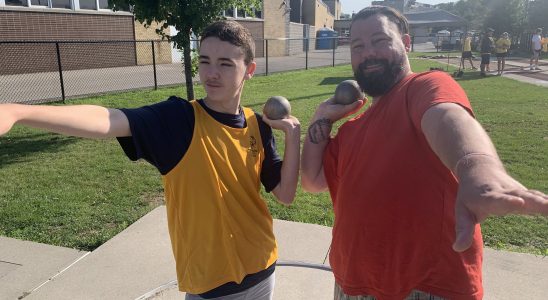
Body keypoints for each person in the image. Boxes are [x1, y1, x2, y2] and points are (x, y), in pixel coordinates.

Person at [0, 20, 301, 300]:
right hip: (212, 285)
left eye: (225, 64)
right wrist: (20, 112)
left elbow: (285, 195)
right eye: (205, 61)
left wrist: (293, 135)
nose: (211, 73)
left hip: (262, 268)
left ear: (249, 69)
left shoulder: (257, 125)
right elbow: (109, 119)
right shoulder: (178, 120)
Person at [301, 6, 548, 300]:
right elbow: (312, 180)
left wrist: (476, 168)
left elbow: (446, 117)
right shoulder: (351, 129)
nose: (368, 53)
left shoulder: (422, 86)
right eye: (358, 46)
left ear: (406, 43)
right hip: (352, 283)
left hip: (425, 287)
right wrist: (322, 117)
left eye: (380, 41)